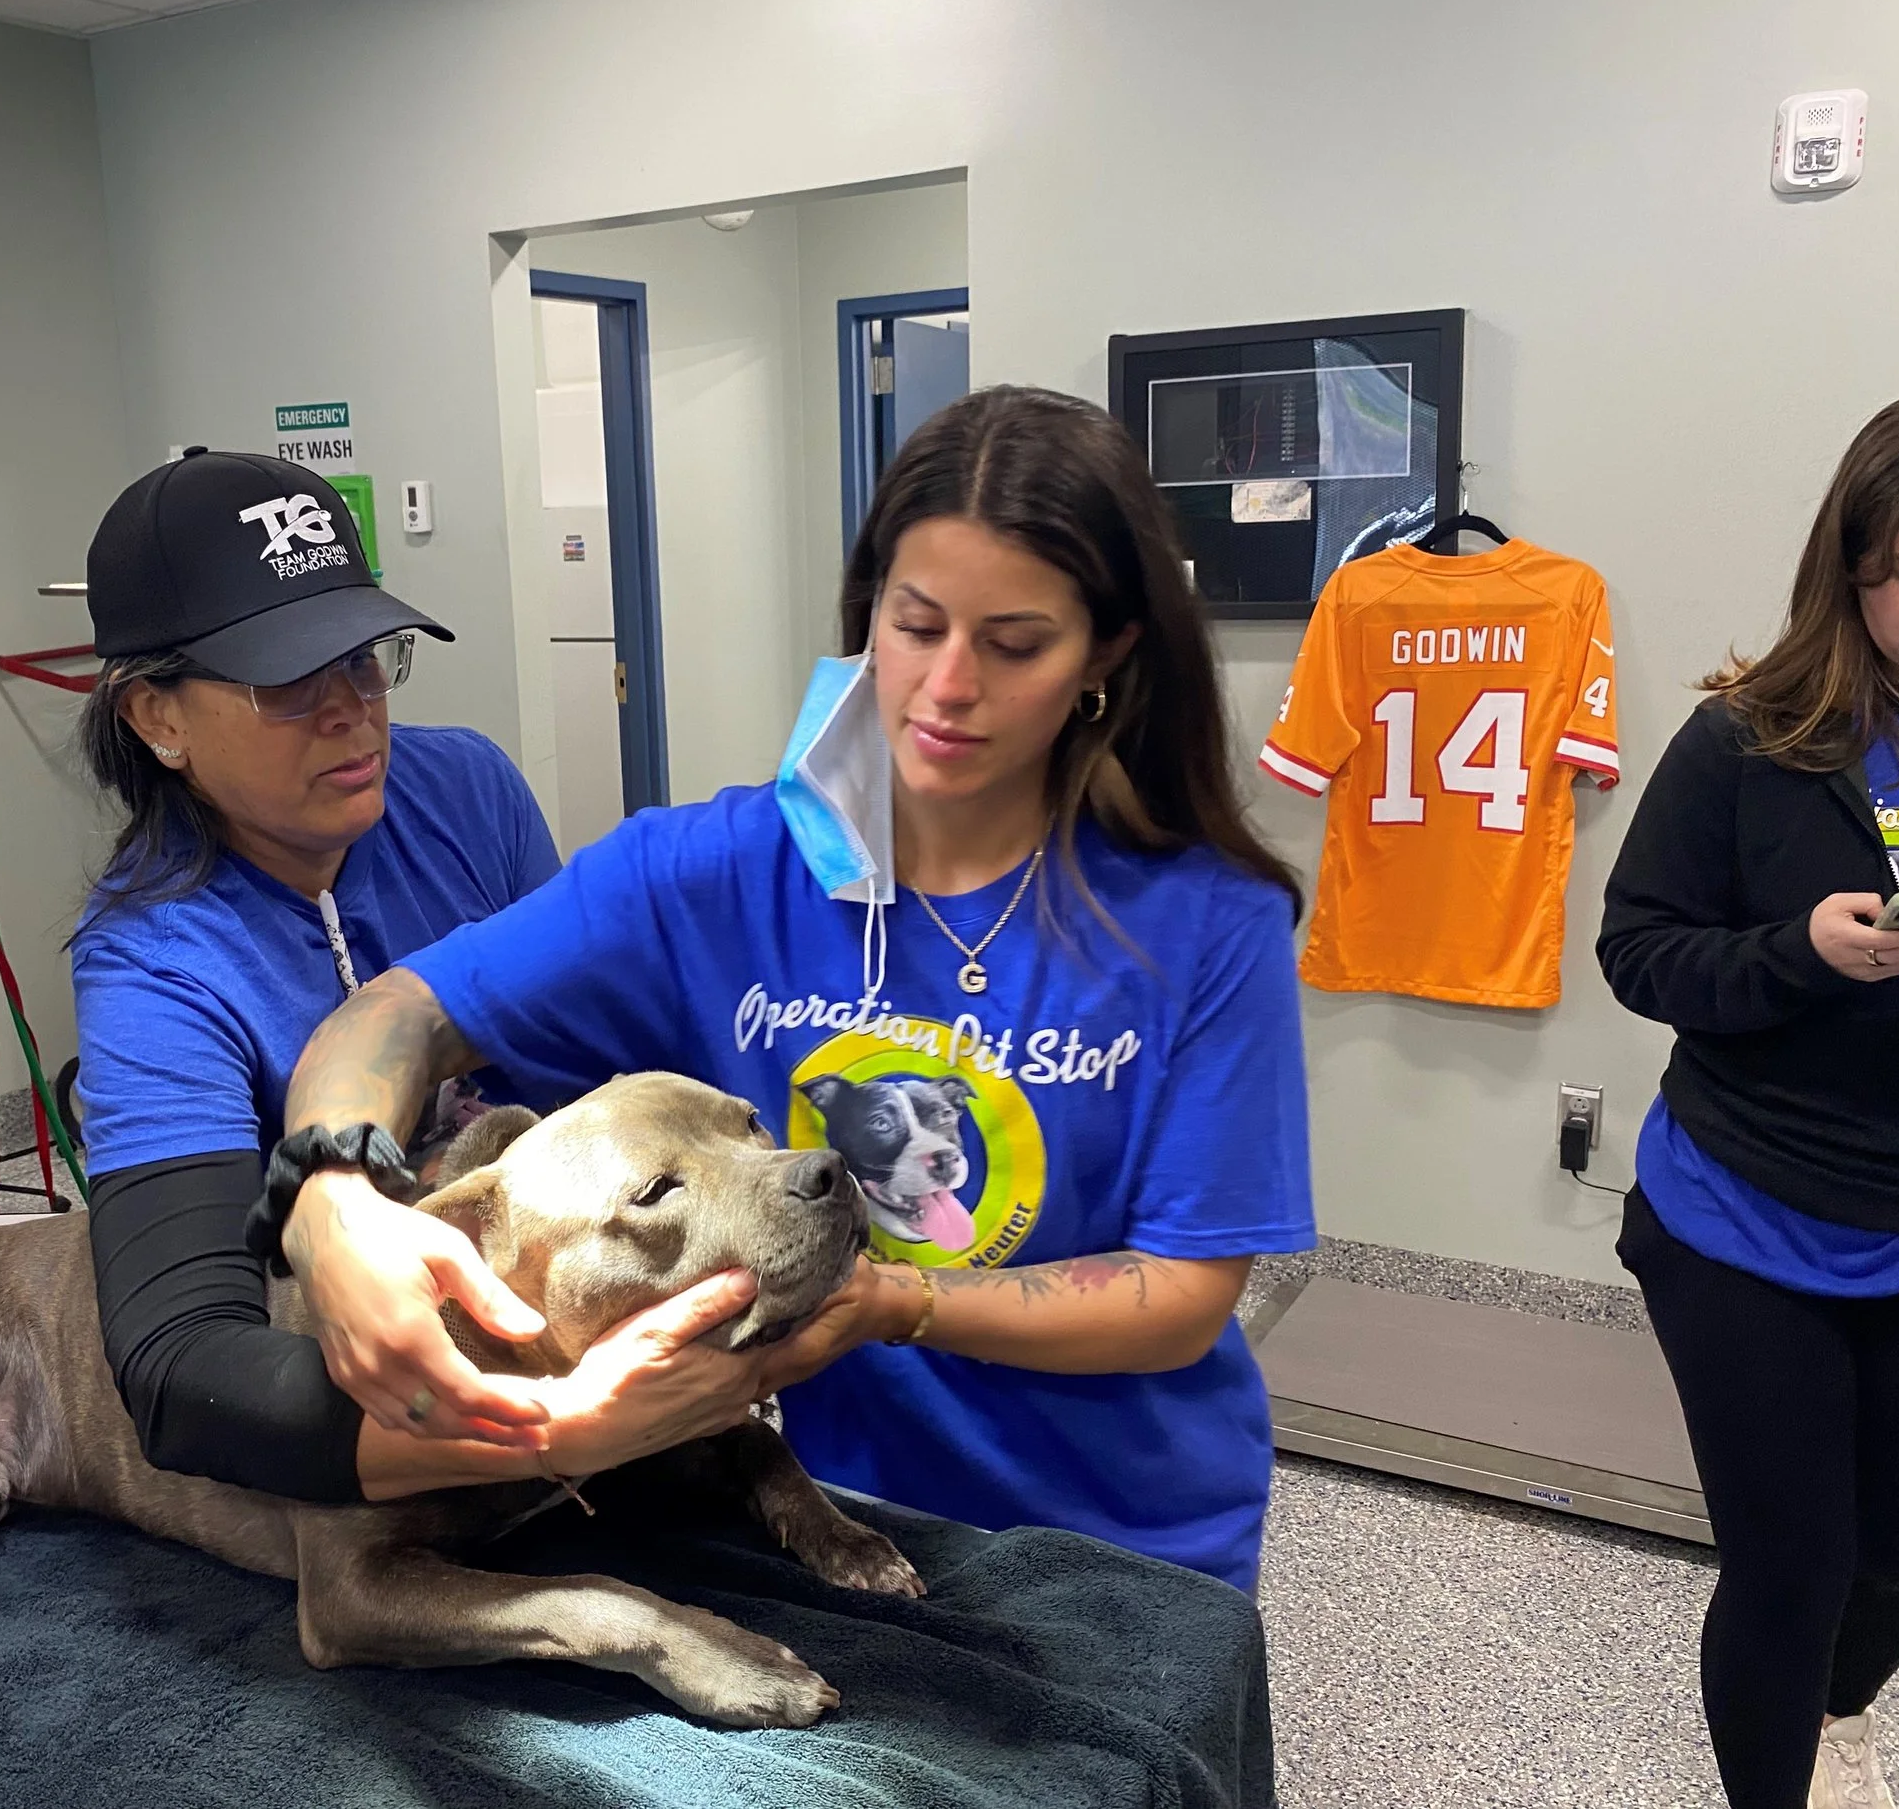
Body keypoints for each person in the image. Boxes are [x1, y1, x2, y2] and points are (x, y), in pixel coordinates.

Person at [260, 386, 1320, 1591]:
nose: (947, 685)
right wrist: (333, 1201)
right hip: (832, 1510)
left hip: (1127, 1541)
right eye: (915, 628)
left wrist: (891, 1303)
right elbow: (394, 1013)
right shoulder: (712, 873)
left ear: (1107, 655)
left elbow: (1182, 1297)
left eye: (1014, 643)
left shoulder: (1203, 923)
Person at [69, 448, 786, 1509]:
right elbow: (182, 1372)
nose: (352, 709)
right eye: (286, 682)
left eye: (365, 657)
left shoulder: (465, 791)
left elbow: (596, 1094)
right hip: (402, 1415)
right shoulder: (153, 967)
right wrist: (547, 1433)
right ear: (157, 719)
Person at [1599, 390, 1899, 1809]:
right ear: (1850, 565)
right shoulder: (1749, 735)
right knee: (1791, 1561)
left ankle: (1844, 1711)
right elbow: (1638, 949)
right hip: (1738, 1213)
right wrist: (1802, 953)